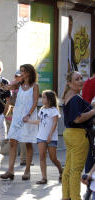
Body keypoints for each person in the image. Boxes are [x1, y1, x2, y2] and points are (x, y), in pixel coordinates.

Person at [0, 64, 39, 181]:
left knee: (28, 143)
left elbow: (35, 102)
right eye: (20, 71)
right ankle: (10, 170)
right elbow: (8, 87)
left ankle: (27, 170)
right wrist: (2, 85)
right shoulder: (19, 84)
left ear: (29, 72)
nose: (21, 73)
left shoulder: (35, 86)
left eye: (23, 71)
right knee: (13, 141)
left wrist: (28, 115)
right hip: (17, 117)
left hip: (28, 117)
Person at [62, 71, 95, 200]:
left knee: (69, 169)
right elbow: (77, 118)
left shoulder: (70, 96)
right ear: (69, 83)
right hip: (78, 135)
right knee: (75, 170)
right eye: (77, 79)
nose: (81, 81)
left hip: (70, 133)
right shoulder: (75, 98)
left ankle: (66, 196)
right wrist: (93, 111)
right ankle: (75, 197)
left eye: (81, 78)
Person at [27, 90, 63, 184]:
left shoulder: (54, 110)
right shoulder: (42, 110)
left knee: (53, 158)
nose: (41, 99)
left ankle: (61, 170)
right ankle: (44, 178)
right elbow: (39, 121)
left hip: (51, 138)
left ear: (49, 99)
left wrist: (50, 136)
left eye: (43, 97)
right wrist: (29, 121)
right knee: (42, 157)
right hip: (41, 137)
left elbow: (55, 123)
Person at [82, 59, 95, 200]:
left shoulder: (88, 83)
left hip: (90, 125)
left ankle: (89, 186)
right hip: (92, 124)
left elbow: (85, 104)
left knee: (91, 155)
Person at [8, 70, 27, 166]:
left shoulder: (23, 86)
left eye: (19, 76)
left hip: (17, 114)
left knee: (19, 137)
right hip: (12, 114)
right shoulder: (18, 86)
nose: (18, 78)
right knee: (12, 136)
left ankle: (23, 159)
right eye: (17, 76)